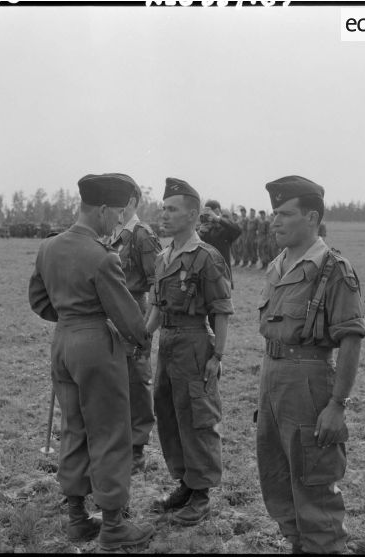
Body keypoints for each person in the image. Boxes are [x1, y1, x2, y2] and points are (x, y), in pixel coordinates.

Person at [28, 173, 155, 551]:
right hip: (97, 348)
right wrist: (142, 340)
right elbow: (129, 317)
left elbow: (38, 300)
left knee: (74, 428)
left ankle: (76, 518)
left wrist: (70, 317)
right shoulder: (102, 257)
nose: (118, 221)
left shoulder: (47, 247)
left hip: (63, 344)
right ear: (101, 209)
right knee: (112, 432)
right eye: (116, 213)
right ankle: (114, 526)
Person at [256, 175, 365, 555]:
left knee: (314, 481)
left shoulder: (332, 268)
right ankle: (299, 545)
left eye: (285, 214)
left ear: (312, 217)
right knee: (276, 477)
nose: (275, 221)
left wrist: (337, 405)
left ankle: (323, 547)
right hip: (273, 379)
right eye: (274, 213)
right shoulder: (278, 265)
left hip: (309, 382)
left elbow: (350, 339)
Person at [146, 177, 234, 526]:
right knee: (168, 413)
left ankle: (201, 494)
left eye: (172, 209)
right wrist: (141, 338)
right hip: (166, 344)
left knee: (197, 417)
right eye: (163, 208)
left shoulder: (206, 257)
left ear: (193, 215)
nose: (164, 215)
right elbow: (155, 308)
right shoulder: (163, 256)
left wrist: (218, 357)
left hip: (195, 343)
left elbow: (222, 311)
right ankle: (184, 482)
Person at [107, 183, 162, 474]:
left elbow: (158, 281)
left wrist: (147, 326)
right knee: (115, 379)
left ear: (129, 202)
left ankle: (137, 448)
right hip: (110, 314)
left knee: (137, 381)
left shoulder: (142, 235)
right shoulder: (111, 233)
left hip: (135, 311)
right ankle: (119, 440)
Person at [197, 199, 241, 284]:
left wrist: (217, 219)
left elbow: (237, 230)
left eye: (210, 213)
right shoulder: (206, 229)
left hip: (222, 273)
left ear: (217, 211)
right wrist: (199, 232)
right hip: (206, 272)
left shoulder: (225, 229)